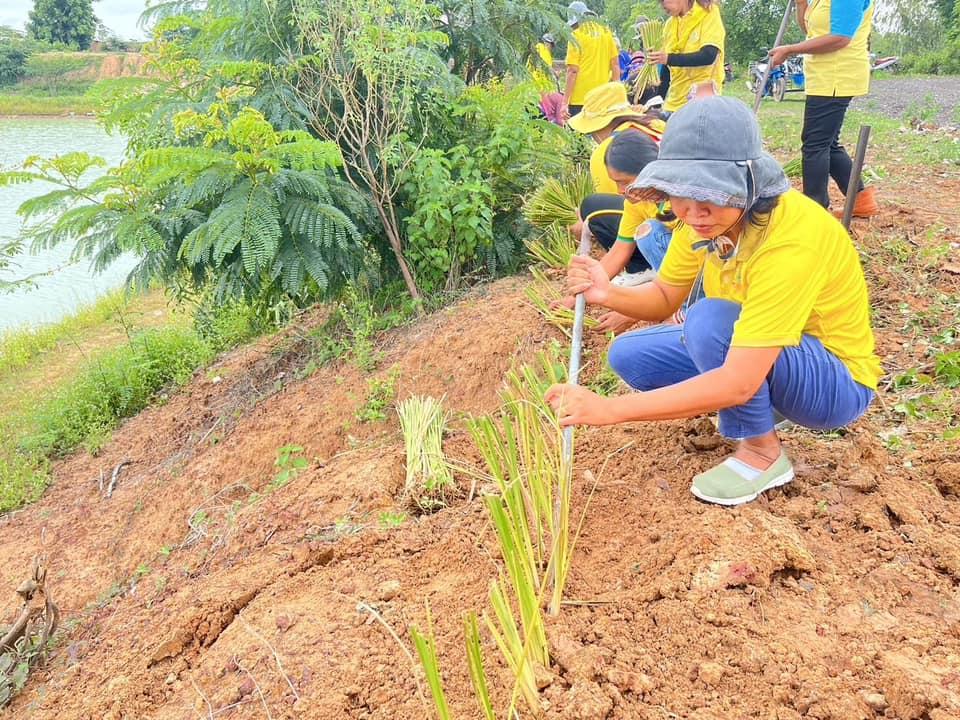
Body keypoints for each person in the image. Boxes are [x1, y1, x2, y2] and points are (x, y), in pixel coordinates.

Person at [545, 97, 881, 506]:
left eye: (711, 196)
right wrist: (605, 291)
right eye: (683, 196)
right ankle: (766, 401)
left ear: (750, 185)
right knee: (630, 355)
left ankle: (762, 452)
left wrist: (609, 409)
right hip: (766, 351)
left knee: (708, 321)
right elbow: (665, 296)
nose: (694, 212)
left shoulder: (792, 240)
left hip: (834, 382)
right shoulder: (702, 220)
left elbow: (738, 381)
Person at [769, 0, 878, 218]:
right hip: (823, 76)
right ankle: (861, 200)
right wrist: (802, 5)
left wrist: (790, 50)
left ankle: (814, 211)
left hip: (837, 75)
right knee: (827, 143)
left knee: (815, 145)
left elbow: (840, 38)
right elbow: (812, 31)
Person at [645, 0, 726, 117]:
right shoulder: (669, 25)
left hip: (701, 102)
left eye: (664, 1)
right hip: (673, 102)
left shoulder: (708, 12)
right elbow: (668, 69)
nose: (662, 6)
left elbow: (708, 56)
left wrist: (669, 58)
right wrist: (658, 102)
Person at [562, 1, 620, 121]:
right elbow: (615, 65)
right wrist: (616, 94)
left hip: (580, 100)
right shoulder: (606, 33)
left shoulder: (576, 35)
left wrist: (565, 102)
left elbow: (572, 71)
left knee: (578, 138)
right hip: (602, 98)